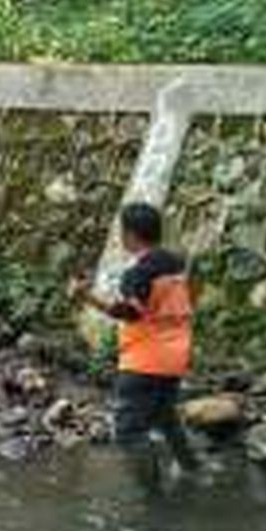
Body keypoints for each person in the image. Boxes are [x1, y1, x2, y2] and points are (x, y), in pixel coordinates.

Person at [70, 203, 200, 495]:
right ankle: (192, 468)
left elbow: (130, 312)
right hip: (175, 357)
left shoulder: (138, 274)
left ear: (129, 234)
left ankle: (154, 497)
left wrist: (86, 296)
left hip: (145, 361)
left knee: (129, 431)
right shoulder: (175, 264)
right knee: (166, 416)